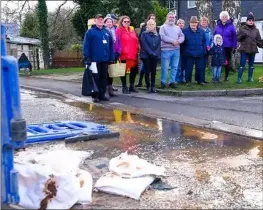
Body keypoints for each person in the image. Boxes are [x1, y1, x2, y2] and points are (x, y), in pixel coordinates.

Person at [83, 14, 114, 102]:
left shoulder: (107, 32)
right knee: (95, 78)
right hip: (94, 60)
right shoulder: (90, 32)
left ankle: (102, 94)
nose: (100, 21)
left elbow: (111, 46)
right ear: (95, 21)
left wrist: (111, 57)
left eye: (102, 19)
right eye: (98, 19)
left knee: (103, 78)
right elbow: (86, 46)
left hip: (105, 60)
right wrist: (87, 57)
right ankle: (95, 95)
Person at [159, 12, 185, 89]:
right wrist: (172, 41)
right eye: (170, 17)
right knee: (165, 67)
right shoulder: (163, 27)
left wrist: (178, 41)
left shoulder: (177, 28)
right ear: (167, 18)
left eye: (173, 17)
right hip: (166, 50)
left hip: (176, 50)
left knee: (174, 67)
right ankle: (163, 82)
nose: (171, 19)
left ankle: (172, 82)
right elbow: (162, 37)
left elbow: (182, 36)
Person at [236, 12, 263, 83]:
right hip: (244, 49)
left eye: (252, 20)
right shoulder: (242, 29)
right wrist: (242, 36)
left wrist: (262, 45)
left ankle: (250, 78)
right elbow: (237, 38)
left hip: (253, 49)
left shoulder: (256, 31)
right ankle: (239, 79)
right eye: (249, 20)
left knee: (251, 65)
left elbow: (259, 41)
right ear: (247, 21)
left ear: (253, 21)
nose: (251, 22)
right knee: (242, 64)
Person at [116, 15, 139, 94]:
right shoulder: (119, 30)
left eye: (128, 21)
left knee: (134, 70)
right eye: (125, 21)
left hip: (133, 54)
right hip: (123, 54)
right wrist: (118, 52)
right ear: (121, 22)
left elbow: (136, 40)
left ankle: (131, 86)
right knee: (123, 71)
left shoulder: (132, 30)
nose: (126, 23)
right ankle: (124, 86)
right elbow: (117, 42)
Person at [182, 16, 206, 85]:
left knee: (200, 68)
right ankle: (188, 81)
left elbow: (204, 42)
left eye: (195, 23)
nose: (193, 24)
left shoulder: (201, 31)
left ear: (197, 23)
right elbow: (182, 43)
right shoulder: (185, 31)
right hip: (189, 53)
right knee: (188, 68)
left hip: (200, 53)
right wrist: (184, 52)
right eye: (192, 23)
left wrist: (203, 50)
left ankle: (200, 81)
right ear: (189, 23)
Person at [214, 11, 237, 81]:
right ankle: (217, 76)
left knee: (227, 61)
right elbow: (214, 35)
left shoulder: (232, 26)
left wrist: (234, 47)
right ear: (220, 18)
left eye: (225, 17)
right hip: (219, 46)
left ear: (228, 18)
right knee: (218, 61)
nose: (224, 18)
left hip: (228, 47)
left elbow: (234, 37)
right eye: (222, 17)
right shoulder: (217, 26)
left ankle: (226, 76)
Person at [136, 13, 157, 88]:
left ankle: (151, 84)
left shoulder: (156, 29)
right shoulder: (144, 29)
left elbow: (158, 42)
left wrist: (155, 53)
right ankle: (141, 81)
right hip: (145, 52)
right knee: (143, 68)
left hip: (153, 53)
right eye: (151, 18)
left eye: (154, 18)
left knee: (151, 70)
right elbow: (140, 39)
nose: (152, 19)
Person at [140, 19, 161, 93]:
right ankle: (148, 86)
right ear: (147, 25)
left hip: (155, 56)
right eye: (149, 24)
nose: (151, 26)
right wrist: (151, 53)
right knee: (147, 71)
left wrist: (155, 53)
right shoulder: (144, 34)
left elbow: (159, 45)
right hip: (146, 56)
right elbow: (144, 45)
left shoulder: (158, 34)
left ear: (155, 25)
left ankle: (153, 86)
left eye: (152, 24)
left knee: (154, 72)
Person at [104, 15, 121, 97]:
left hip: (114, 54)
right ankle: (105, 87)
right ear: (105, 23)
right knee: (105, 71)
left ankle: (110, 87)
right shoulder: (104, 31)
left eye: (110, 22)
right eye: (107, 22)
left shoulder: (116, 30)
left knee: (112, 71)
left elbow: (118, 42)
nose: (109, 23)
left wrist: (119, 51)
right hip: (106, 54)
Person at [199, 16, 213, 83]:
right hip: (200, 50)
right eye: (202, 21)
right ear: (200, 22)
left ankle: (203, 79)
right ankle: (200, 79)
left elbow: (212, 40)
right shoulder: (198, 30)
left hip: (207, 50)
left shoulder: (209, 30)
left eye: (205, 21)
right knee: (200, 65)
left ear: (207, 23)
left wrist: (210, 46)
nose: (204, 22)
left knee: (204, 65)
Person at [175, 19, 186, 83]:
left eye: (182, 23)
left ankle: (182, 78)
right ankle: (177, 79)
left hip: (184, 51)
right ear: (177, 24)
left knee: (183, 66)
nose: (181, 24)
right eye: (179, 23)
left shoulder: (185, 31)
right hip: (177, 51)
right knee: (178, 66)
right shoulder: (176, 31)